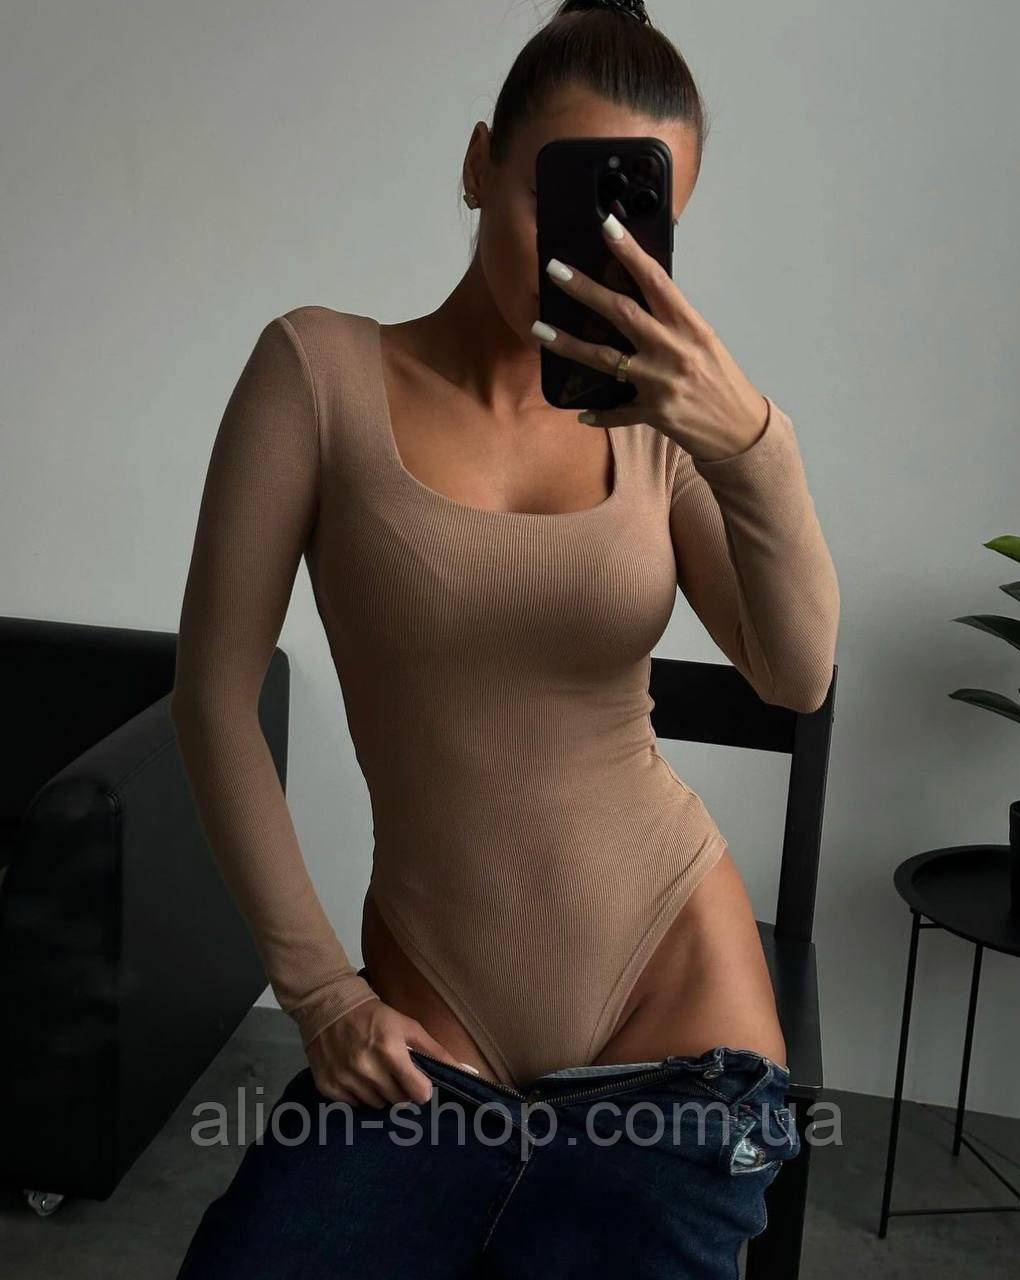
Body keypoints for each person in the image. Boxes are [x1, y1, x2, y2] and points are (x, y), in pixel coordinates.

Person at [172, 1, 839, 1275]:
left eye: (635, 221)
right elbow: (213, 696)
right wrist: (320, 991)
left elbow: (795, 671)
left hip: (678, 1013)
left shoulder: (661, 423)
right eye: (559, 199)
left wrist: (753, 441)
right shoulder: (317, 374)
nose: (589, 256)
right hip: (433, 1024)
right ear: (480, 162)